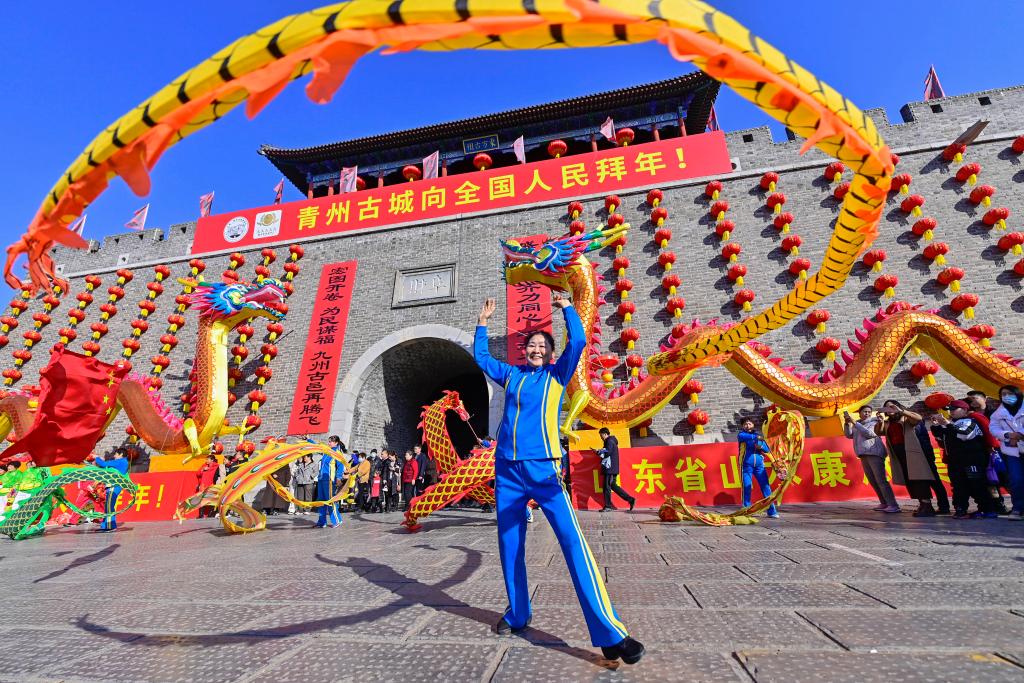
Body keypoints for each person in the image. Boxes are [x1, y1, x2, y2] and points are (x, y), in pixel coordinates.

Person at [475, 295, 643, 664]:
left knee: (572, 542)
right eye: (532, 345)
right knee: (509, 545)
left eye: (543, 346)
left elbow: (578, 341)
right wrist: (483, 323)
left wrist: (566, 308)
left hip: (545, 471)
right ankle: (518, 614)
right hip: (507, 472)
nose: (536, 349)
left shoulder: (556, 375)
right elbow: (482, 359)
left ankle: (610, 633)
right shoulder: (512, 375)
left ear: (551, 353)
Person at [875, 400, 950, 517]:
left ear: (898, 407)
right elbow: (879, 432)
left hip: (918, 454)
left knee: (931, 480)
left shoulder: (907, 418)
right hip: (901, 455)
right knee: (913, 480)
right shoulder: (888, 422)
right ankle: (923, 504)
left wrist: (901, 411)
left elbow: (918, 418)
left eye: (892, 407)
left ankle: (941, 506)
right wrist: (880, 422)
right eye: (887, 408)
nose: (890, 410)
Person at [930, 401, 996, 518]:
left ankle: (987, 509)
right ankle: (960, 509)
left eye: (954, 409)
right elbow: (941, 437)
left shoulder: (971, 421)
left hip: (972, 460)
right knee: (958, 486)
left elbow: (964, 435)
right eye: (950, 409)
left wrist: (947, 424)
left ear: (965, 410)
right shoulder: (951, 423)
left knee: (977, 485)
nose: (951, 411)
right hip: (955, 461)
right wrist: (936, 425)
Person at [843, 406, 899, 512]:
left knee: (881, 480)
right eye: (865, 412)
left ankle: (893, 505)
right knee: (873, 480)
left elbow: (870, 434)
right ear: (859, 413)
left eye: (869, 412)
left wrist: (855, 423)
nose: (867, 414)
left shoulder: (874, 422)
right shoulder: (857, 424)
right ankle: (884, 503)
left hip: (874, 453)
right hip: (863, 454)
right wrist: (847, 424)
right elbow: (849, 435)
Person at [965, 391, 1007, 514]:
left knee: (1006, 478)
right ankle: (998, 504)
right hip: (981, 452)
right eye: (970, 400)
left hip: (999, 450)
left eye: (974, 398)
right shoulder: (969, 416)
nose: (972, 401)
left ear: (985, 398)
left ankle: (1019, 505)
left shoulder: (995, 413)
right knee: (990, 480)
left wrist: (993, 444)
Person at [990, 385, 1024, 520]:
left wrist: (1019, 434)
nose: (1006, 397)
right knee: (1016, 480)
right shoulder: (998, 414)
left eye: (1009, 393)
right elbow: (993, 429)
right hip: (1012, 452)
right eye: (1003, 394)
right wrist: (1008, 435)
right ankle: (1018, 508)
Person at [737, 418, 779, 518]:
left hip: (759, 466)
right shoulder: (741, 435)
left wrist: (761, 446)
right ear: (742, 426)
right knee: (747, 487)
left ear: (753, 425)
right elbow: (746, 437)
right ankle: (746, 511)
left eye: (749, 423)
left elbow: (766, 449)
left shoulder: (758, 437)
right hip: (746, 465)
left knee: (766, 487)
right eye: (745, 424)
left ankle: (772, 511)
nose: (747, 425)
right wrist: (757, 438)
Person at [597, 428, 635, 512]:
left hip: (610, 468)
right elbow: (606, 451)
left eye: (601, 435)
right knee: (612, 485)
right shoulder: (610, 441)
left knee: (607, 487)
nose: (601, 437)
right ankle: (630, 499)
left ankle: (608, 506)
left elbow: (607, 452)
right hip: (612, 468)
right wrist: (599, 451)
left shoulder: (609, 441)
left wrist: (599, 452)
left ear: (605, 434)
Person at [315, 436, 346, 528]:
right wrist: (308, 439)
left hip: (329, 480)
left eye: (331, 442)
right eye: (328, 441)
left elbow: (340, 466)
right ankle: (322, 522)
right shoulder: (326, 451)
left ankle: (337, 520)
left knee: (330, 500)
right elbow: (317, 446)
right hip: (321, 479)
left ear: (336, 443)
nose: (329, 443)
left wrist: (338, 478)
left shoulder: (337, 453)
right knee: (321, 501)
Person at [94, 451, 129, 532]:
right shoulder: (123, 462)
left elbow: (103, 464)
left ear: (121, 454)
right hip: (114, 486)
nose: (114, 456)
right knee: (108, 506)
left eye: (116, 454)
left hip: (114, 486)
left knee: (109, 507)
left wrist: (96, 457)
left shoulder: (120, 461)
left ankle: (110, 526)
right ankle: (105, 526)